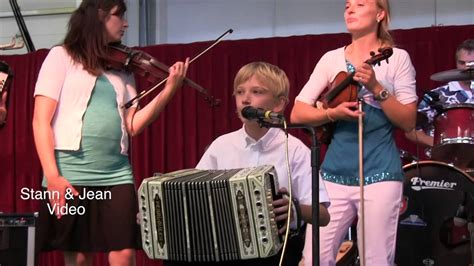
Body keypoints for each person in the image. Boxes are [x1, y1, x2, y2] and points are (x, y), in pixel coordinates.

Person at [32, 0, 189, 265]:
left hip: (115, 172)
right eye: (120, 16)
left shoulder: (123, 68)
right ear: (99, 16)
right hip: (68, 170)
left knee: (124, 252)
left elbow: (133, 125)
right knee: (79, 257)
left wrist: (168, 91)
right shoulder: (61, 56)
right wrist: (53, 177)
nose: (126, 23)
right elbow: (40, 121)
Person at [164, 62, 330, 266]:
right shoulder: (221, 146)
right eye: (239, 92)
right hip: (225, 246)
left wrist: (294, 208)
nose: (245, 98)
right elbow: (191, 195)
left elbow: (323, 216)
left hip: (276, 249)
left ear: (278, 104)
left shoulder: (294, 150)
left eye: (256, 92)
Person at [291, 0, 417, 265]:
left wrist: (375, 86)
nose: (350, 9)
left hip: (381, 172)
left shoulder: (397, 58)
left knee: (376, 260)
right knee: (314, 258)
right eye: (347, 5)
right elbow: (297, 113)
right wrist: (330, 114)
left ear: (380, 14)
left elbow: (407, 121)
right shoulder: (330, 58)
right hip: (333, 173)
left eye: (360, 4)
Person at [405, 39, 474, 148]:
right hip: (448, 160)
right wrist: (442, 145)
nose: (468, 67)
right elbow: (411, 130)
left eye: (472, 63)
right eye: (462, 63)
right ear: (456, 63)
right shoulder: (437, 96)